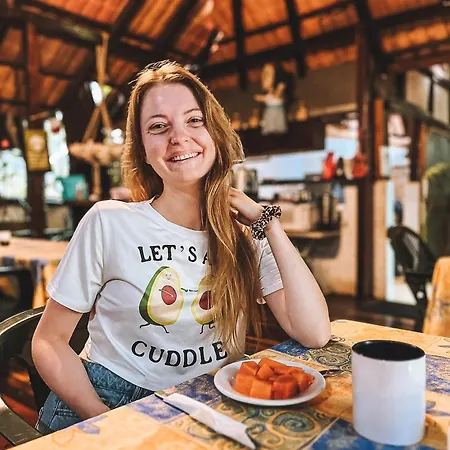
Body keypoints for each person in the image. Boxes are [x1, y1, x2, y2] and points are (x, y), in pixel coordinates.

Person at [32, 61, 330, 434]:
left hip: (208, 401)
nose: (179, 137)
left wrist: (268, 224)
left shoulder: (246, 233)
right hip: (105, 399)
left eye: (194, 120)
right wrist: (105, 418)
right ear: (143, 149)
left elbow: (315, 333)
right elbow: (48, 341)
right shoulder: (109, 222)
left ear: (214, 132)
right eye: (159, 126)